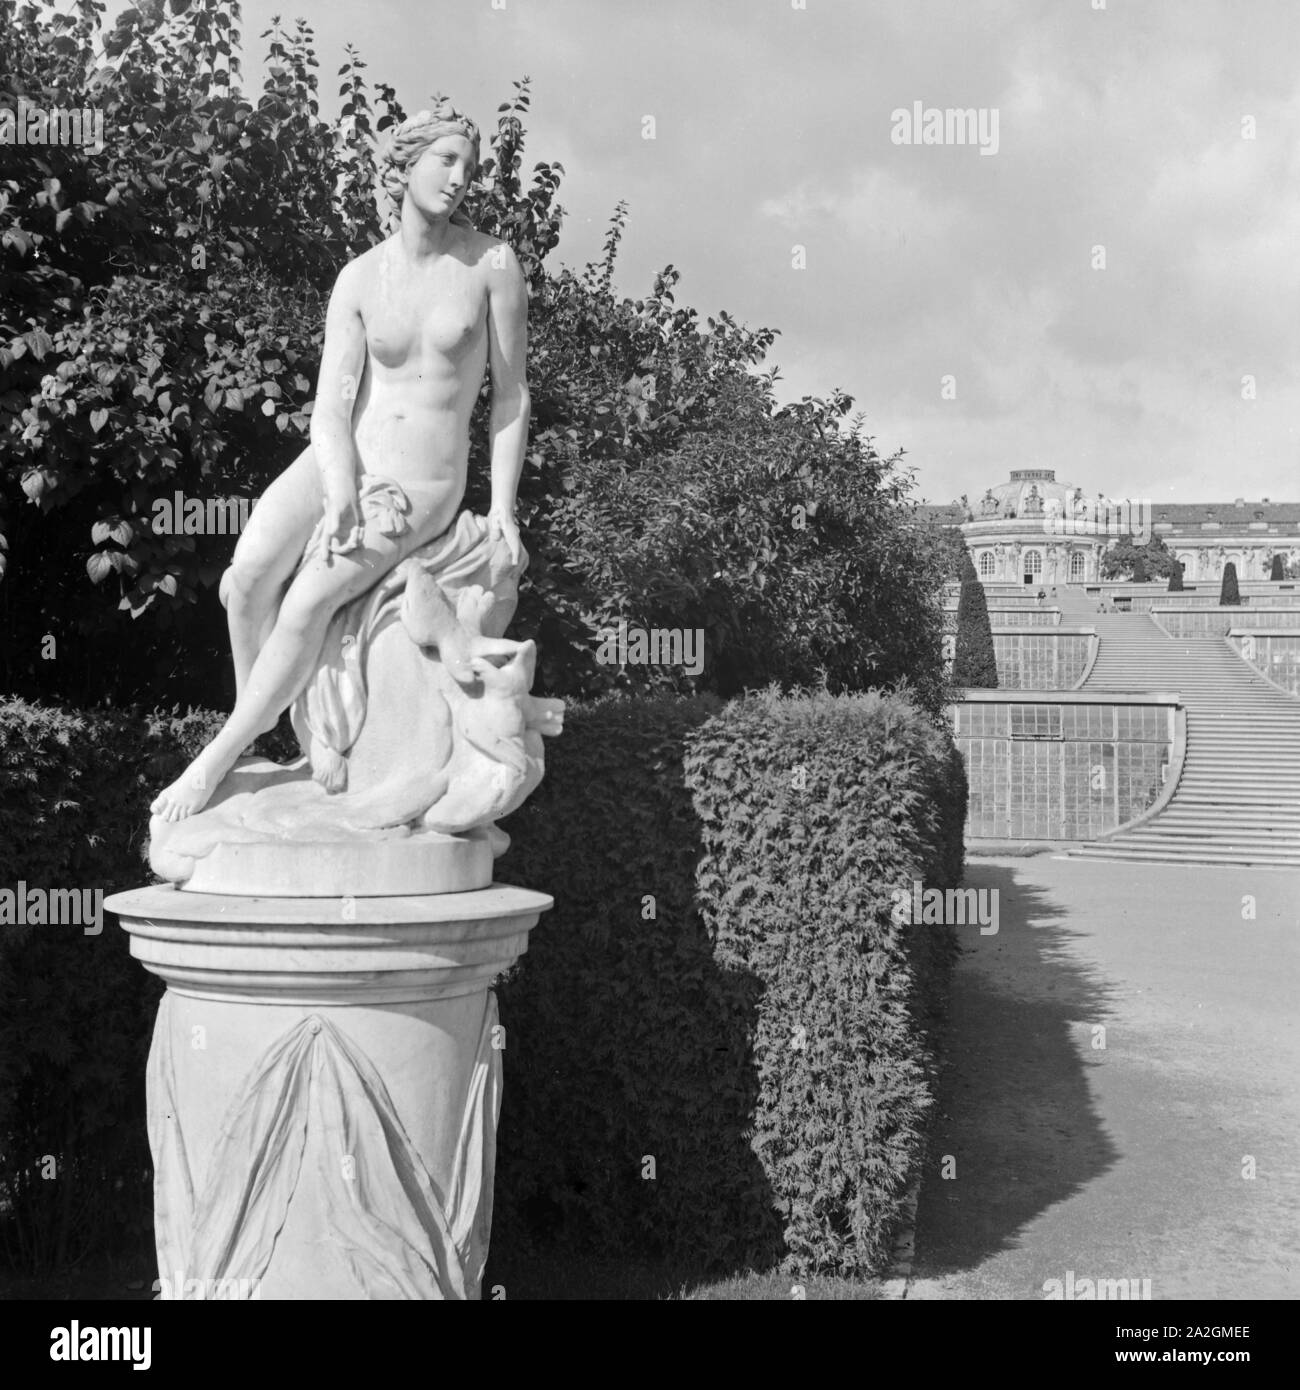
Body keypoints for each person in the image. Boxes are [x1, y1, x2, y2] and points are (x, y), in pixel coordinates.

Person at [151, 101, 530, 820]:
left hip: (420, 481)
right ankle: (281, 722)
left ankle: (216, 758)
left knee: (307, 600)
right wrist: (340, 486)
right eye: (445, 160)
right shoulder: (359, 277)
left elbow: (510, 399)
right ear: (407, 163)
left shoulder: (492, 265)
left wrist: (503, 507)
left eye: (469, 168)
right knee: (248, 574)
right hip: (344, 457)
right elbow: (330, 407)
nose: (459, 179)